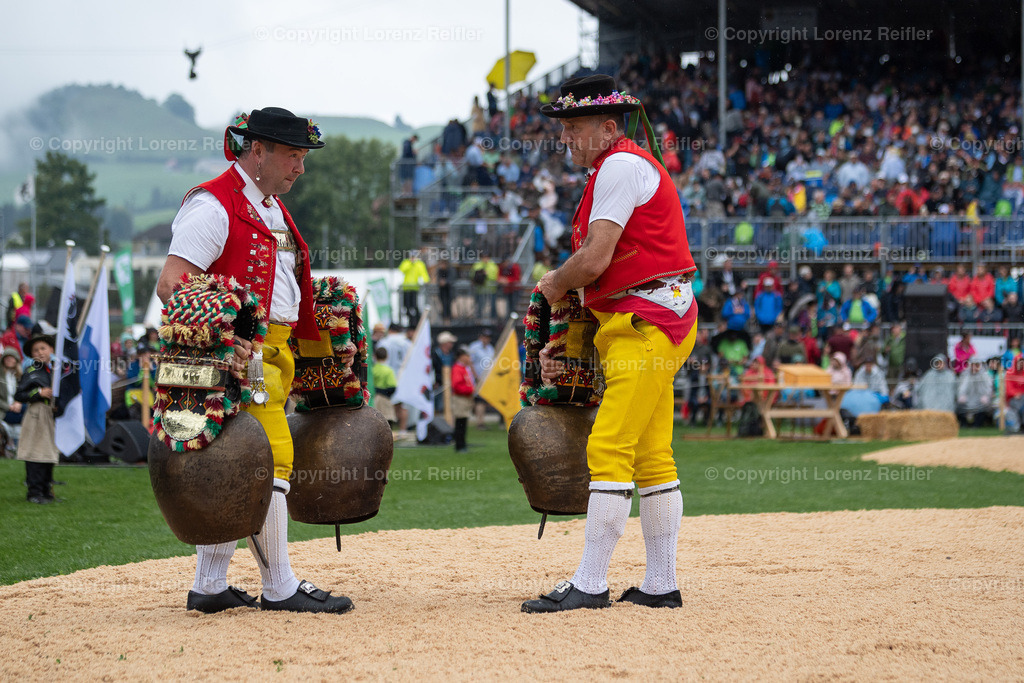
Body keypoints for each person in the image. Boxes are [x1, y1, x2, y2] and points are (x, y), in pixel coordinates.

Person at [155, 106, 352, 614]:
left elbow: (282, 287)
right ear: (257, 151)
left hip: (272, 352)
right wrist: (228, 336)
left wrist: (326, 329)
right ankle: (280, 586)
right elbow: (172, 284)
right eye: (293, 156)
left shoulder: (268, 207)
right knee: (270, 459)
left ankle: (209, 585)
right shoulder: (212, 205)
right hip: (242, 359)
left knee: (231, 463)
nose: (300, 168)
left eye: (304, 158)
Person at [523, 75, 698, 613]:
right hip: (656, 317)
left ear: (606, 126)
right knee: (652, 455)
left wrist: (552, 284)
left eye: (573, 127)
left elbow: (595, 261)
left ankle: (591, 582)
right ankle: (660, 584)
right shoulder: (620, 165)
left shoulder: (619, 165)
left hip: (646, 321)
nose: (565, 137)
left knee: (609, 449)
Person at [15, 333, 60, 503]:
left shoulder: (55, 370)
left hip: (50, 414)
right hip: (36, 414)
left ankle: (46, 490)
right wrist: (38, 392)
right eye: (36, 350)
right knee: (35, 453)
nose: (40, 352)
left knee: (48, 452)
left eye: (43, 348)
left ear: (51, 350)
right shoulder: (31, 371)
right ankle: (34, 492)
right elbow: (19, 394)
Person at [467, 329, 495, 428]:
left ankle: (480, 420)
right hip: (476, 378)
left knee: (482, 400)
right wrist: (475, 376)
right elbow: (470, 362)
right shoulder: (474, 347)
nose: (486, 339)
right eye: (484, 337)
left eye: (488, 337)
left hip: (486, 379)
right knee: (479, 400)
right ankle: (479, 422)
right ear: (480, 337)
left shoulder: (490, 348)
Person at [956, 357, 993, 426]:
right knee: (960, 406)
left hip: (980, 399)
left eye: (976, 365)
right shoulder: (965, 375)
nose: (974, 368)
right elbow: (961, 388)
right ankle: (964, 424)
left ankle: (977, 424)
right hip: (968, 399)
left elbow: (988, 388)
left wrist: (985, 396)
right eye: (972, 365)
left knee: (983, 406)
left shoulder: (985, 376)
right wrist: (961, 395)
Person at [1, 347, 24, 455]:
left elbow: (23, 394)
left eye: (12, 357)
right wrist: (8, 406)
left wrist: (18, 402)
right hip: (4, 410)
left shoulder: (19, 377)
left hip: (17, 408)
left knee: (30, 412)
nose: (9, 360)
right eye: (7, 358)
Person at [451, 347, 474, 453]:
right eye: (467, 356)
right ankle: (459, 445)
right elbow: (457, 385)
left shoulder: (464, 368)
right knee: (460, 422)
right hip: (460, 398)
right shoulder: (457, 369)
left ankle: (462, 444)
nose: (469, 358)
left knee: (463, 422)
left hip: (465, 397)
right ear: (461, 357)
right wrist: (470, 390)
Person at [398, 251, 430, 328]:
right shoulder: (406, 262)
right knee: (406, 306)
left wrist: (426, 280)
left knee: (414, 306)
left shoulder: (419, 264)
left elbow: (423, 273)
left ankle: (416, 321)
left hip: (415, 289)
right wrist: (410, 264)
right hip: (406, 288)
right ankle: (410, 321)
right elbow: (402, 270)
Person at [432, 331, 457, 414]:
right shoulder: (435, 354)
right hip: (439, 384)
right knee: (437, 405)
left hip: (450, 383)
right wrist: (434, 381)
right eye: (450, 342)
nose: (452, 344)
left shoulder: (451, 354)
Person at [371, 346, 397, 424]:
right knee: (387, 422)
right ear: (387, 356)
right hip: (384, 399)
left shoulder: (372, 369)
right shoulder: (389, 370)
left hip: (373, 399)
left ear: (375, 356)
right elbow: (392, 388)